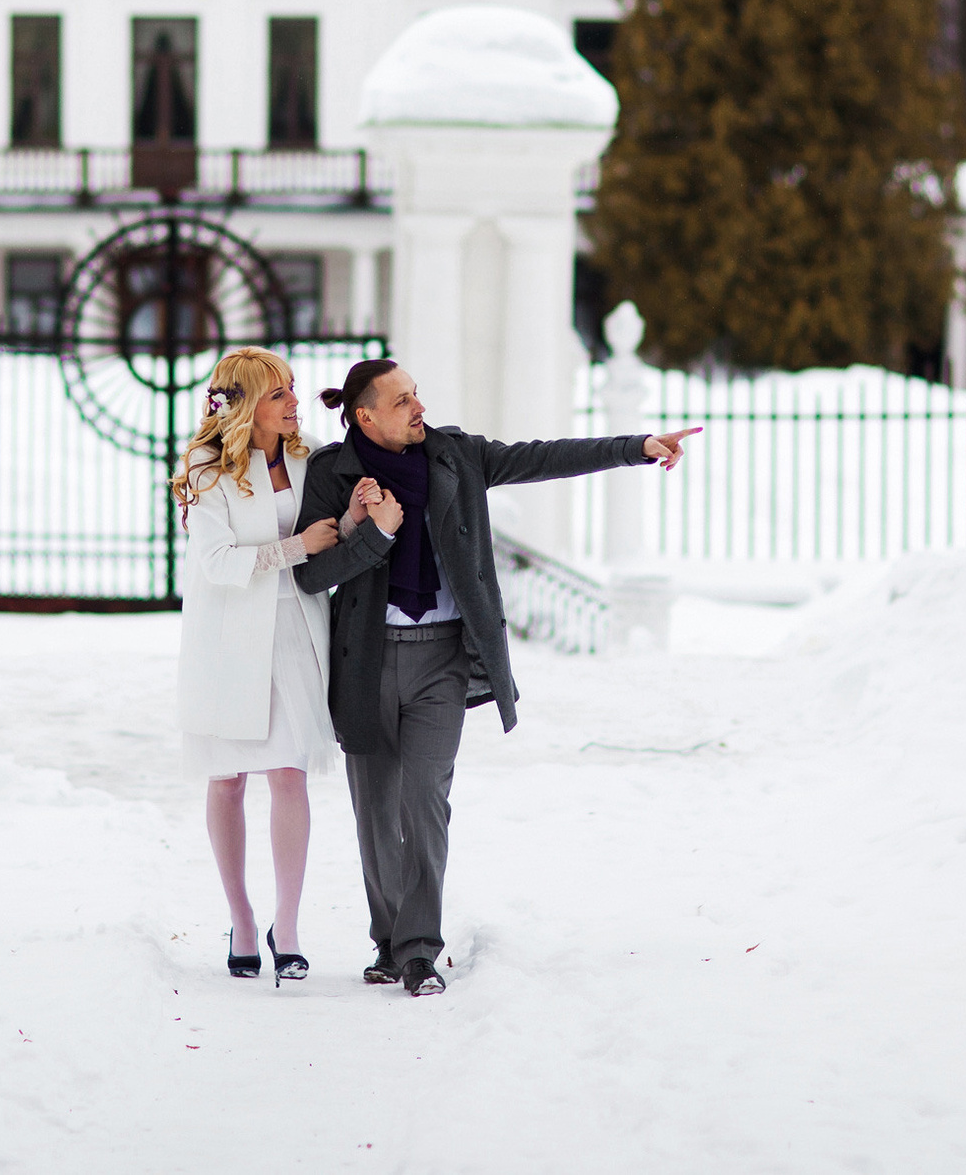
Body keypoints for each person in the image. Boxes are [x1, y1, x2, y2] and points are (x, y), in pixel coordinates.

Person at [291, 358, 699, 996]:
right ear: (364, 416)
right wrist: (375, 534)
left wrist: (636, 448)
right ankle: (388, 941)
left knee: (424, 800)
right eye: (402, 401)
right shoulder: (331, 473)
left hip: (442, 660)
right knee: (375, 812)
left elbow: (543, 457)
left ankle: (421, 950)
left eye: (417, 394)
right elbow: (311, 576)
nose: (418, 406)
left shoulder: (456, 455)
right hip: (364, 659)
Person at [170, 347, 344, 983]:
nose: (294, 401)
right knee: (227, 779)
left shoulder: (310, 457)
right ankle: (242, 919)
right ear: (245, 405)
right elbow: (217, 561)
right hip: (227, 638)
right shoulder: (206, 469)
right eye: (279, 394)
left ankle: (288, 923)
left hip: (294, 629)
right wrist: (296, 546)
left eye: (292, 389)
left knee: (288, 774)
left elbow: (338, 525)